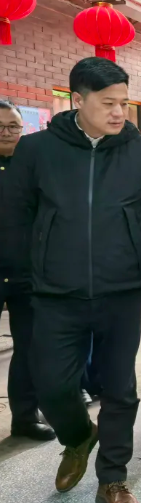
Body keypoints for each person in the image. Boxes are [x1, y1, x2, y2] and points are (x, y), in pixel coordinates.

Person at [7, 58, 141, 503]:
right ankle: (79, 437)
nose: (119, 112)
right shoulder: (36, 150)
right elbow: (16, 218)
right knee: (51, 385)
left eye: (123, 102)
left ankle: (113, 480)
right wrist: (33, 269)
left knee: (119, 387)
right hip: (54, 293)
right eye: (108, 103)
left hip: (121, 291)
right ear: (77, 101)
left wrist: (135, 251)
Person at [0, 101, 56, 442]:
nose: (6, 133)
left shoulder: (34, 167)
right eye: (0, 127)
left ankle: (24, 417)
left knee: (29, 348)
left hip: (26, 272)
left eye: (12, 126)